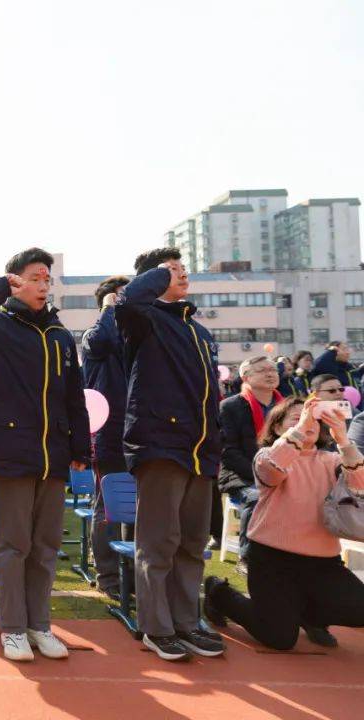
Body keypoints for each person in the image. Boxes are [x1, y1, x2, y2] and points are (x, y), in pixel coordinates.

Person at [0, 248, 90, 663]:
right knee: (12, 545)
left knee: (45, 547)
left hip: (53, 456)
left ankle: (39, 625)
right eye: (35, 277)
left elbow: (73, 396)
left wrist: (80, 445)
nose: (44, 284)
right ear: (15, 281)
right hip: (10, 454)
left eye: (49, 278)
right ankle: (12, 629)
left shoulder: (60, 335)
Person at [114, 247, 224, 661]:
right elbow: (128, 302)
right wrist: (157, 274)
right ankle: (156, 627)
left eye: (182, 269)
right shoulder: (145, 320)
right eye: (170, 271)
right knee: (159, 543)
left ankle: (185, 621)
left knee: (193, 542)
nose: (181, 275)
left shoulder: (198, 331)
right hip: (161, 445)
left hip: (201, 450)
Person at [204, 396, 364, 650]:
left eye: (314, 417)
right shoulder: (266, 455)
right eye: (297, 417)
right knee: (279, 638)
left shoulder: (332, 460)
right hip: (271, 559)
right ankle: (219, 593)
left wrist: (343, 439)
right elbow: (272, 469)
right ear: (278, 427)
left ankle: (307, 616)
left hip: (323, 563)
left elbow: (360, 484)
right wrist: (300, 429)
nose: (308, 421)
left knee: (360, 610)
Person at [80, 275, 131, 599]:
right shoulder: (95, 335)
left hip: (142, 433)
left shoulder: (134, 337)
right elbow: (100, 340)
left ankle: (135, 576)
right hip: (110, 432)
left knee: (141, 506)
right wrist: (109, 309)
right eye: (121, 296)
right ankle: (109, 577)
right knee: (109, 506)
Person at [217, 356, 282, 572]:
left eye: (273, 369)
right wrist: (261, 475)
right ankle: (246, 558)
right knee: (256, 497)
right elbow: (229, 452)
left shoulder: (287, 404)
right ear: (246, 377)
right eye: (262, 370)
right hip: (241, 473)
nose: (270, 373)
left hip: (284, 471)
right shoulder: (230, 406)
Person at [312, 341, 360, 407]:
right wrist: (331, 351)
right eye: (344, 349)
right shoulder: (329, 368)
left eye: (347, 349)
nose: (348, 352)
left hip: (355, 405)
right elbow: (317, 364)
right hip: (336, 405)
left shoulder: (349, 367)